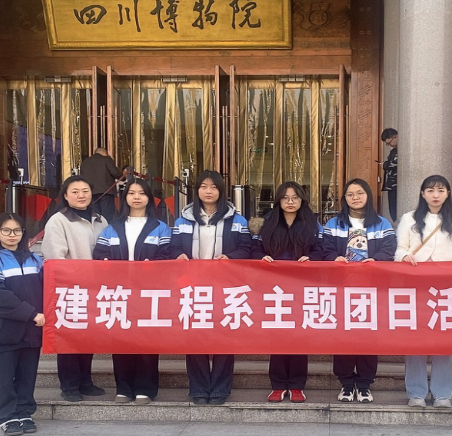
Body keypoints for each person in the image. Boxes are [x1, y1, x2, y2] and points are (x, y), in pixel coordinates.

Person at [170, 170, 252, 406]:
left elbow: (247, 249)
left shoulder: (237, 220)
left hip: (226, 287)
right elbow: (171, 248)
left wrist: (231, 257)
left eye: (213, 187)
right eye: (204, 186)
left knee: (224, 337)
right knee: (195, 338)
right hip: (192, 287)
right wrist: (179, 255)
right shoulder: (183, 220)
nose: (208, 191)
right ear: (196, 190)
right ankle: (198, 388)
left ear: (221, 191)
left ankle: (219, 389)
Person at [394, 174, 452, 409]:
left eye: (440, 190)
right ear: (422, 194)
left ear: (448, 193)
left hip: (447, 286)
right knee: (415, 338)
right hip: (415, 285)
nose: (435, 195)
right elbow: (400, 248)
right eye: (430, 190)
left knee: (445, 339)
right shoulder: (409, 218)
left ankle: (442, 393)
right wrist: (404, 256)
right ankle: (416, 392)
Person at [93, 177, 171, 405]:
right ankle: (123, 388)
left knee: (147, 340)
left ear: (149, 198)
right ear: (124, 197)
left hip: (149, 293)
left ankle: (146, 388)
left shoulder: (161, 227)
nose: (136, 197)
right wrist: (106, 264)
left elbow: (167, 256)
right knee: (121, 340)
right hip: (120, 292)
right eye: (131, 193)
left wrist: (152, 266)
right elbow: (99, 255)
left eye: (142, 193)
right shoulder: (112, 228)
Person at [322, 178, 396, 403]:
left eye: (360, 193)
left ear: (368, 195)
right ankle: (346, 383)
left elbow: (390, 248)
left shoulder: (382, 223)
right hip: (341, 289)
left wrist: (376, 259)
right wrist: (334, 258)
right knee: (343, 336)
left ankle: (364, 384)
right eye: (350, 194)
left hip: (371, 289)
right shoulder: (334, 223)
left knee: (367, 336)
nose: (355, 197)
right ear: (344, 198)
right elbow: (324, 249)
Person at [251, 181, 324, 403]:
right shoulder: (267, 224)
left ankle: (297, 385)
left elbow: (322, 250)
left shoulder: (313, 225)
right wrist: (261, 258)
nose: (290, 202)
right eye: (285, 198)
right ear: (278, 201)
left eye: (295, 198)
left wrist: (311, 258)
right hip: (275, 289)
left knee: (299, 336)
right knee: (278, 335)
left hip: (302, 288)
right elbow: (254, 249)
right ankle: (278, 384)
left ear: (302, 200)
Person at [0, 212, 45, 436]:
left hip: (31, 331)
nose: (11, 235)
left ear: (23, 233)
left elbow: (50, 288)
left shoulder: (35, 260)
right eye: (6, 230)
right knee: (3, 379)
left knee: (27, 376)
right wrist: (31, 313)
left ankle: (24, 413)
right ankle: (6, 417)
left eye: (17, 230)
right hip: (2, 330)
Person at [42, 175, 108, 402]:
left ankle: (85, 381)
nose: (81, 195)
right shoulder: (58, 220)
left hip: (96, 289)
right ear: (65, 196)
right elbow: (55, 257)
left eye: (85, 191)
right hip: (70, 288)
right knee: (69, 336)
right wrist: (72, 279)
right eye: (75, 191)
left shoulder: (100, 219)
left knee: (88, 336)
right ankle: (69, 385)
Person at [79, 148, 121, 222]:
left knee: (95, 216)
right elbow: (115, 173)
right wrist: (123, 176)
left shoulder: (85, 162)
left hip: (90, 193)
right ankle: (106, 229)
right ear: (104, 153)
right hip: (106, 192)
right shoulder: (106, 159)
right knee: (107, 216)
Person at [380, 128, 398, 221]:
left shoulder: (401, 149)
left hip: (397, 184)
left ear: (395, 137)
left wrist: (385, 165)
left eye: (389, 142)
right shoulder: (394, 151)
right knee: (392, 209)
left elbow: (397, 163)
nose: (389, 145)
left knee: (395, 209)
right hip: (391, 185)